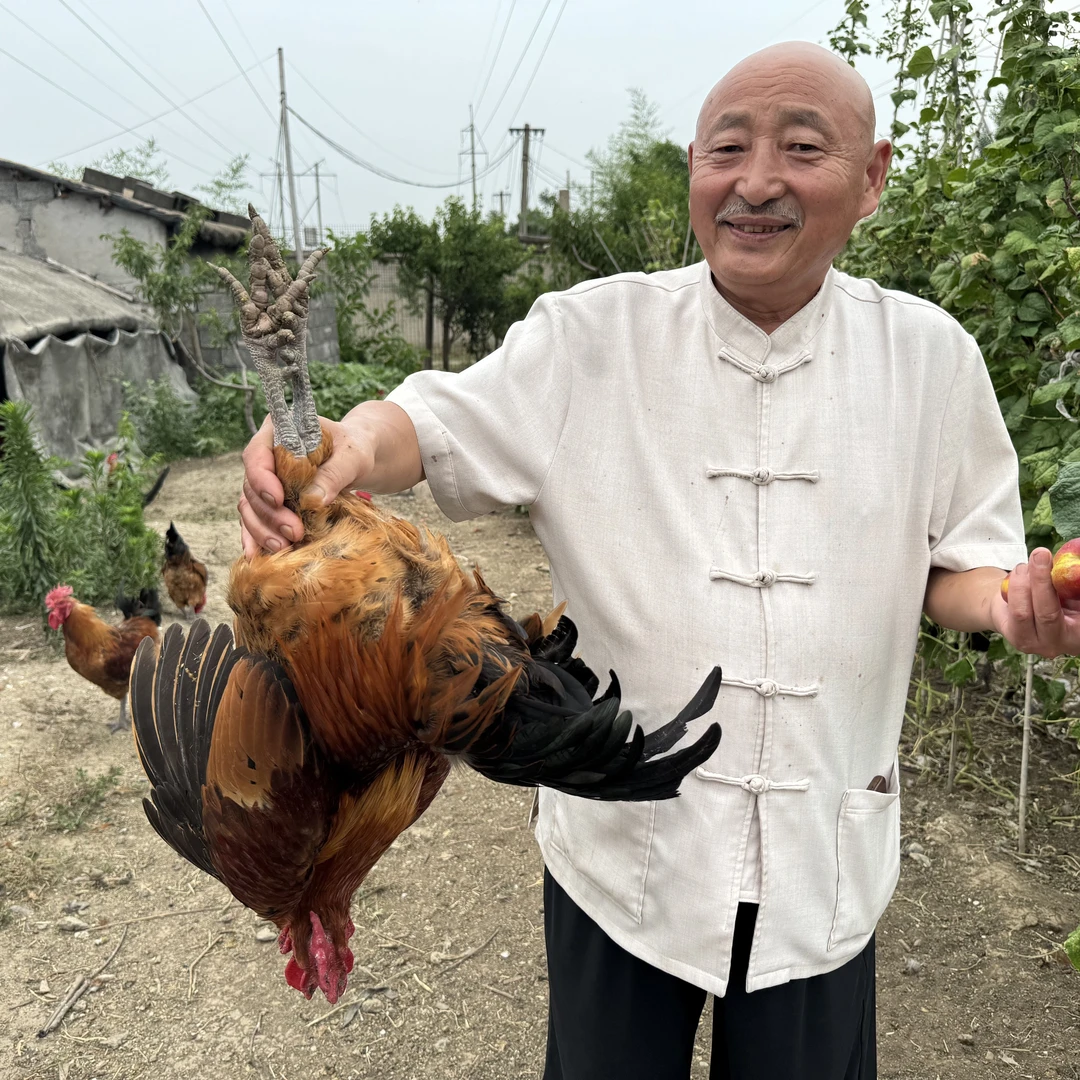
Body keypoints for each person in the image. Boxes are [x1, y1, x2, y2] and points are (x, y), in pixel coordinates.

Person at [237, 41, 1079, 1080]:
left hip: (825, 852)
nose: (756, 180)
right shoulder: (594, 336)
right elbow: (429, 422)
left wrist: (1012, 606)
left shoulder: (930, 357)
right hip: (623, 857)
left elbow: (963, 565)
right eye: (728, 148)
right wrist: (346, 448)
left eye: (801, 148)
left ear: (872, 179)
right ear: (694, 170)